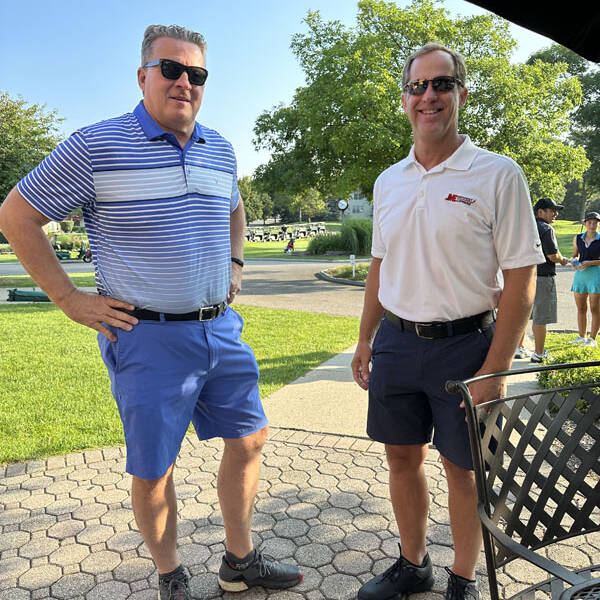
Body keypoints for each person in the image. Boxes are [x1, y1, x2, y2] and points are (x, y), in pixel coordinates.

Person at [0, 24, 301, 600]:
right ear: (143, 77)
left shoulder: (221, 148)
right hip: (146, 335)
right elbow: (16, 215)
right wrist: (68, 298)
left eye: (197, 74)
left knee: (250, 439)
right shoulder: (97, 145)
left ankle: (240, 562)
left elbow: (235, 210)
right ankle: (171, 574)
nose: (184, 82)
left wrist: (236, 265)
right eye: (171, 69)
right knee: (153, 467)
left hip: (221, 329)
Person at [350, 43, 544, 600]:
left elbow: (521, 280)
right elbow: (380, 266)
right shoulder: (389, 181)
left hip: (466, 346)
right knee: (401, 458)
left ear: (461, 92)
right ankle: (414, 565)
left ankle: (463, 577)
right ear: (406, 99)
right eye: (418, 87)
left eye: (441, 84)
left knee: (464, 470)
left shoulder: (498, 174)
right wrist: (365, 338)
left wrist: (495, 370)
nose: (428, 95)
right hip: (397, 344)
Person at [524, 198, 570, 363]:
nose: (556, 214)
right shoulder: (546, 229)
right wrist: (563, 260)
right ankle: (539, 353)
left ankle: (519, 347)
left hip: (525, 277)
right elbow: (552, 255)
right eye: (552, 210)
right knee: (540, 317)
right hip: (543, 277)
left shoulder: (525, 227)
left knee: (523, 316)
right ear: (540, 211)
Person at [569, 211, 600, 347]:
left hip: (595, 275)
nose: (592, 225)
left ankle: (592, 339)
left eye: (595, 223)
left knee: (595, 308)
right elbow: (575, 255)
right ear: (585, 223)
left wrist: (590, 263)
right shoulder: (577, 238)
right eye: (590, 222)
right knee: (581, 308)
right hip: (580, 276)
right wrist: (573, 262)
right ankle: (581, 336)